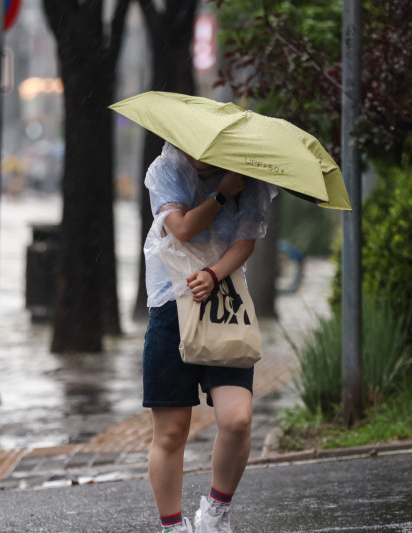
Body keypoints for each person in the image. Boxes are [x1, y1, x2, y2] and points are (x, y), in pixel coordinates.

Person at [142, 142, 276, 533]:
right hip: (171, 307)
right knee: (170, 432)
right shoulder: (166, 168)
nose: (202, 156)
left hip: (225, 306)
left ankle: (214, 514)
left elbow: (246, 240)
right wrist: (221, 194)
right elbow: (181, 228)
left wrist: (214, 274)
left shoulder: (246, 175)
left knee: (237, 419)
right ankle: (173, 528)